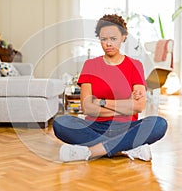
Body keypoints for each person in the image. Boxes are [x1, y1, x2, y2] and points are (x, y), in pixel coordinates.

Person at [53, 14, 167, 162]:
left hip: (128, 127)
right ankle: (126, 148)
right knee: (61, 123)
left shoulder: (135, 65)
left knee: (159, 124)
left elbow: (139, 106)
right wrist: (126, 104)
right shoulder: (90, 65)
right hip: (94, 127)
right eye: (104, 39)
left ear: (123, 37)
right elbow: (87, 107)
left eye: (113, 39)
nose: (108, 44)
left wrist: (101, 102)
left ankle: (92, 151)